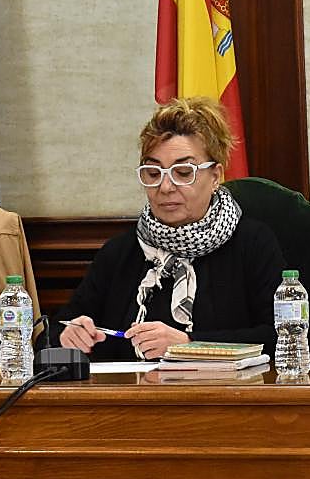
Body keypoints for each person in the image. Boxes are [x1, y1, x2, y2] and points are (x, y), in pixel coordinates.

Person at [56, 97, 285, 360]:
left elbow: (280, 337)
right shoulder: (120, 252)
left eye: (183, 173)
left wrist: (190, 344)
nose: (165, 187)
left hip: (224, 397)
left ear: (216, 176)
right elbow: (60, 327)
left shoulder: (253, 243)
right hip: (129, 397)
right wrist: (69, 335)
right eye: (154, 174)